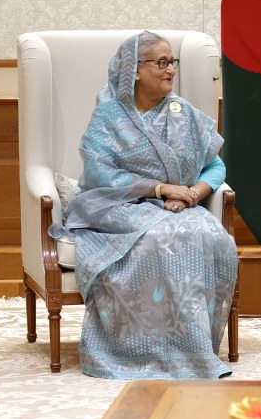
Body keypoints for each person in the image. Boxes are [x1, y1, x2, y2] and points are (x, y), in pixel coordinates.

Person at [51, 31, 238, 380]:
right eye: (162, 62)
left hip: (177, 206)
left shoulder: (184, 114)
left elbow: (215, 166)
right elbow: (99, 173)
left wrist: (191, 193)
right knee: (158, 238)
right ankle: (137, 349)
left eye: (172, 62)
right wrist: (160, 188)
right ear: (135, 70)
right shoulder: (109, 115)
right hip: (116, 205)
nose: (171, 70)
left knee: (210, 235)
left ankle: (192, 349)